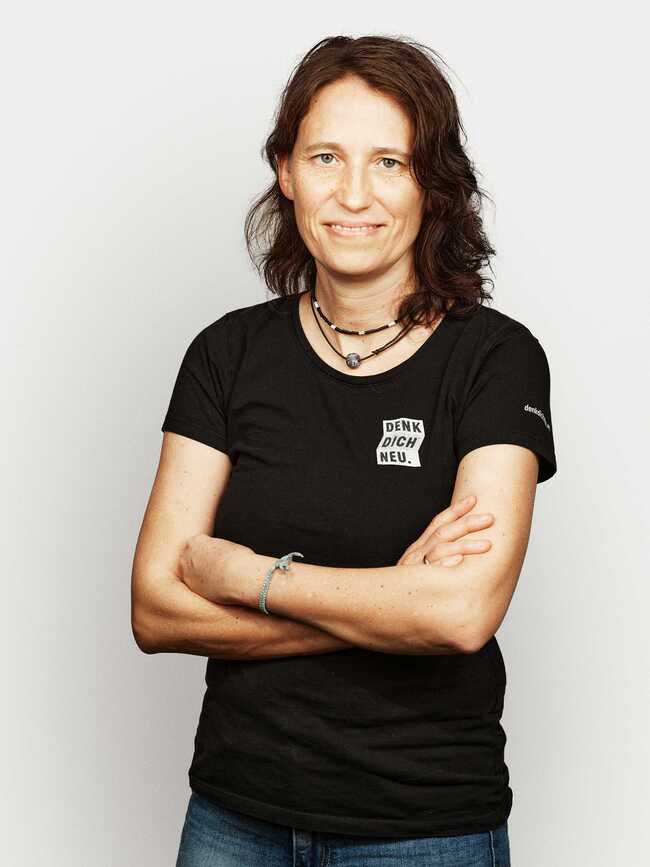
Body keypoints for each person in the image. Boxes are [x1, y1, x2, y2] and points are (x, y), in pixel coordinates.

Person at [132, 35, 557, 866]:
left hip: (423, 828)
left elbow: (461, 613)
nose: (354, 193)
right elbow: (155, 607)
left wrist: (248, 577)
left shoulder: (497, 360)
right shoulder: (226, 355)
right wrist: (393, 598)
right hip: (234, 817)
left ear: (432, 184)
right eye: (325, 157)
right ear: (286, 170)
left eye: (389, 162)